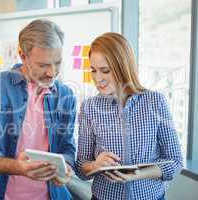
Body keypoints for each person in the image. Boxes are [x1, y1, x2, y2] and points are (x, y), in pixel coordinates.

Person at [0, 19, 76, 200]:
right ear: (23, 56)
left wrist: (67, 167)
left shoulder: (66, 96)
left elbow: (67, 148)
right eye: (43, 65)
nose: (52, 72)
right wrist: (17, 167)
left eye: (57, 63)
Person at [75, 32, 183, 200]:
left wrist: (138, 174)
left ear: (123, 67)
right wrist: (95, 165)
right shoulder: (89, 107)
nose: (97, 78)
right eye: (93, 70)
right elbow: (81, 167)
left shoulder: (155, 102)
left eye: (105, 70)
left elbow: (175, 162)